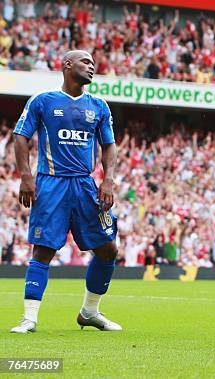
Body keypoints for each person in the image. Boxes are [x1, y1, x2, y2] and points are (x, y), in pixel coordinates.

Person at [10, 50, 122, 333]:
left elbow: (109, 145)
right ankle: (29, 318)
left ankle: (90, 312)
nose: (92, 67)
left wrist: (108, 181)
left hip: (85, 185)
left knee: (108, 249)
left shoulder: (98, 105)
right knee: (44, 249)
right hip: (52, 183)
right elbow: (20, 136)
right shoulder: (43, 101)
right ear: (67, 65)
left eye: (94, 64)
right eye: (86, 62)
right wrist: (25, 175)